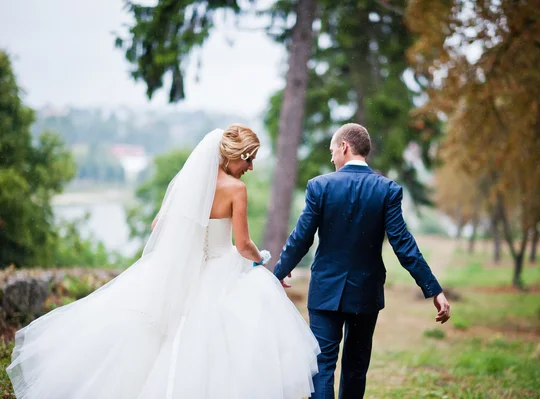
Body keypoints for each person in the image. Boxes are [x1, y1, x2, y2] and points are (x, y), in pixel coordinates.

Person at [7, 124, 319, 399]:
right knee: (224, 344)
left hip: (187, 272)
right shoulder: (236, 190)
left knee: (167, 338)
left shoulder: (190, 186)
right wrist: (260, 257)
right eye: (248, 159)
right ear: (231, 155)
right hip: (221, 271)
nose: (250, 167)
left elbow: (159, 226)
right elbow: (242, 245)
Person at [273, 123, 451, 399]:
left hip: (325, 292)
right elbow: (403, 244)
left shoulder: (320, 187)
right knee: (356, 368)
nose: (332, 158)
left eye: (333, 150)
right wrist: (434, 289)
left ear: (344, 147)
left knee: (322, 367)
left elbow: (301, 238)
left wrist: (279, 272)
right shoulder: (387, 190)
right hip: (365, 293)